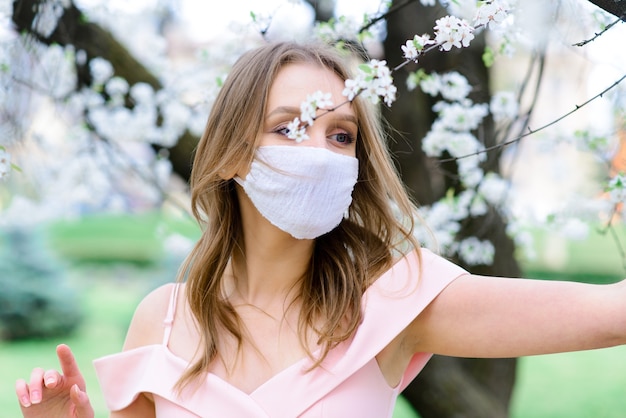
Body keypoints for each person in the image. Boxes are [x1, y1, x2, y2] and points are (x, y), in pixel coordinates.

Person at [15, 40, 626, 418]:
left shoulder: (397, 301)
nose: (320, 151)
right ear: (230, 157)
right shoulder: (164, 320)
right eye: (288, 127)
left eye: (340, 135)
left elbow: (613, 314)